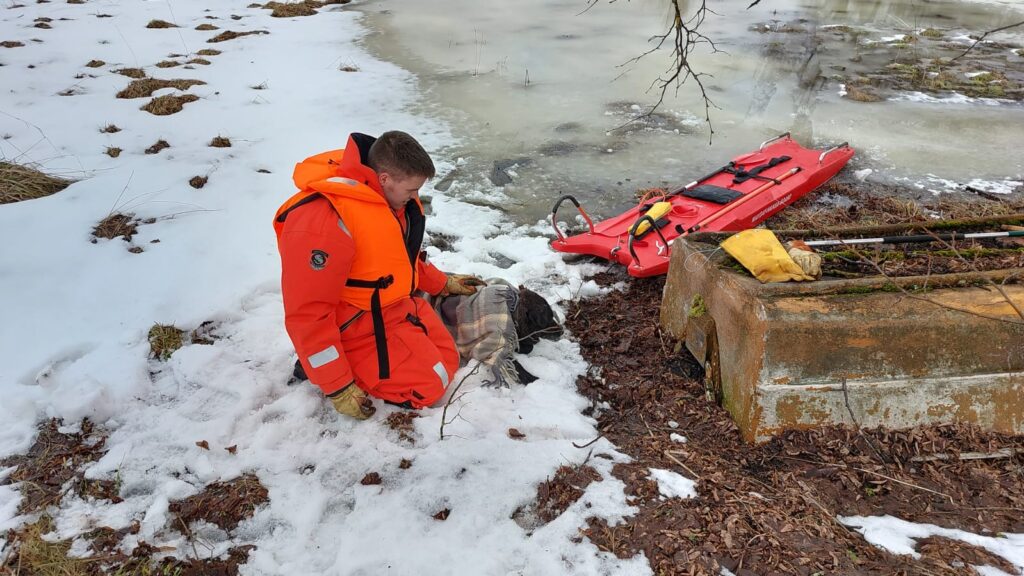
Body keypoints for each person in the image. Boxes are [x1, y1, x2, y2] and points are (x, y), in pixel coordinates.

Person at [273, 131, 485, 420]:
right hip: (354, 324)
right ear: (384, 178)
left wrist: (442, 282)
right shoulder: (324, 222)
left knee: (447, 359)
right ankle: (323, 370)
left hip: (391, 309)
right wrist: (338, 387)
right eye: (412, 190)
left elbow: (394, 259)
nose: (416, 197)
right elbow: (307, 314)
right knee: (428, 387)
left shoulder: (386, 199)